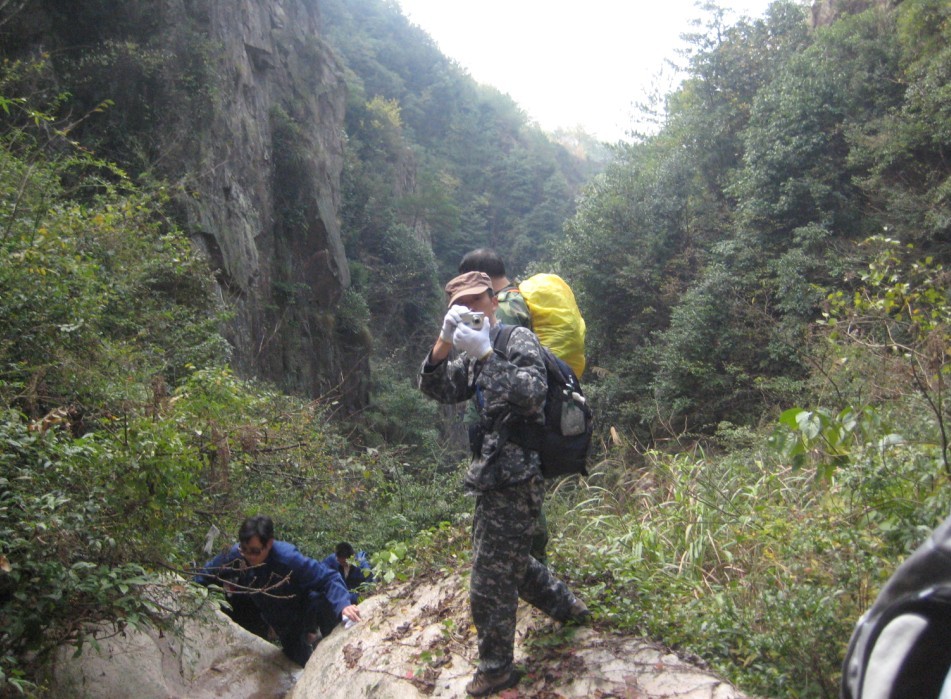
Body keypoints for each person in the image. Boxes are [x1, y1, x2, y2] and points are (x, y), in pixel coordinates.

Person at [418, 271, 590, 697]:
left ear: (493, 300)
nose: (471, 310)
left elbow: (532, 392)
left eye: (477, 300)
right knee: (508, 562)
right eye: (461, 306)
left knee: (487, 579)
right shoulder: (469, 352)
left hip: (518, 474)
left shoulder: (515, 341)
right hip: (489, 476)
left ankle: (495, 670)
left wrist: (487, 356)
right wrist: (442, 347)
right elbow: (438, 389)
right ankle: (567, 606)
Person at [458, 248, 550, 564]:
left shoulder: (507, 309)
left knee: (521, 500)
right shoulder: (515, 299)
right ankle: (530, 568)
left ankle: (534, 569)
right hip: (502, 427)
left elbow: (495, 349)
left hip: (511, 426)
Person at [195, 515, 362, 666]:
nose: (249, 556)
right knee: (299, 662)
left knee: (323, 603)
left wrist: (343, 605)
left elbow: (328, 578)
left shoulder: (287, 558)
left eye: (255, 551)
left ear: (269, 544)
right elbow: (208, 573)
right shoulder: (237, 556)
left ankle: (330, 646)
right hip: (278, 619)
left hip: (303, 606)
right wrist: (190, 591)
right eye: (244, 550)